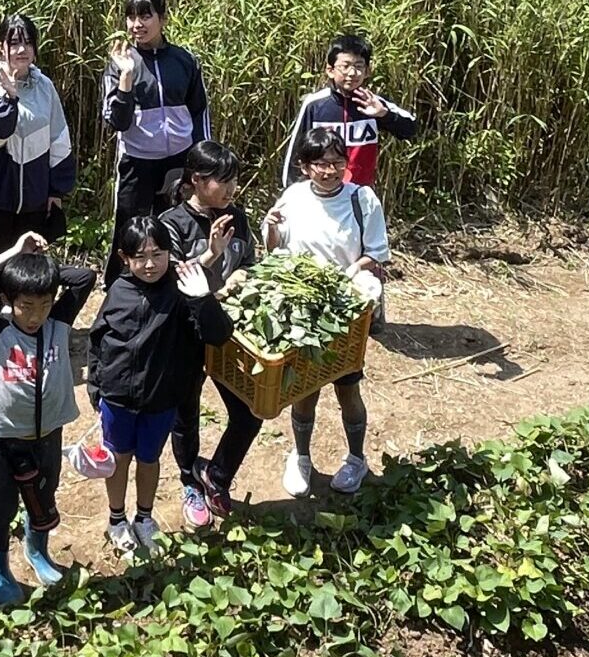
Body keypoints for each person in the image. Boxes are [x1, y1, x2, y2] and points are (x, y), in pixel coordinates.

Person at [0, 232, 95, 604]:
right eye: (26, 305)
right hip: (6, 439)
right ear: (8, 300)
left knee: (44, 497)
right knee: (2, 507)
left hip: (50, 433)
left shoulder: (59, 323)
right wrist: (15, 255)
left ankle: (37, 552)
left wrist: (41, 270)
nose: (36, 316)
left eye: (45, 304)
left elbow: (84, 279)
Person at [86, 216, 231, 558]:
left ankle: (144, 518)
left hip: (161, 400)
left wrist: (203, 298)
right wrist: (96, 387)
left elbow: (219, 334)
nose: (149, 264)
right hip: (118, 399)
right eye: (139, 257)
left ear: (170, 253)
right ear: (124, 258)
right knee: (118, 458)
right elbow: (97, 340)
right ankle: (117, 519)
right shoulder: (119, 290)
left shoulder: (181, 291)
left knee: (149, 459)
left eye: (158, 253)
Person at [263, 126, 388, 498]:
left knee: (348, 387)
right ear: (304, 167)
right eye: (321, 164)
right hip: (302, 309)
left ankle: (356, 459)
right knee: (304, 387)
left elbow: (376, 253)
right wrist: (270, 229)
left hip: (346, 309)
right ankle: (301, 456)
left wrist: (351, 272)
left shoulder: (361, 199)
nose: (330, 171)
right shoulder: (293, 198)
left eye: (337, 162)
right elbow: (275, 252)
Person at [159, 141, 261, 525]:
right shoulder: (171, 224)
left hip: (228, 332)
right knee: (186, 416)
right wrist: (213, 256)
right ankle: (189, 482)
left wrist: (237, 277)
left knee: (250, 411)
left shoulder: (237, 216)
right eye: (224, 179)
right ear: (197, 181)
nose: (233, 187)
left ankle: (216, 475)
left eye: (235, 178)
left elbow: (248, 262)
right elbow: (171, 279)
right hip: (185, 335)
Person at [101, 0, 210, 281]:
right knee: (129, 226)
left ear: (162, 19)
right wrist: (125, 79)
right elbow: (116, 122)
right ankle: (118, 287)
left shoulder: (185, 60)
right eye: (131, 17)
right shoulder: (120, 63)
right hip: (137, 161)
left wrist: (199, 159)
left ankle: (173, 286)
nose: (137, 24)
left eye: (145, 15)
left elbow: (199, 111)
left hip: (178, 159)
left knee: (173, 225)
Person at [0, 13, 76, 259]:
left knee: (29, 268)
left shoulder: (44, 86)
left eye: (28, 43)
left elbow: (59, 138)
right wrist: (9, 99)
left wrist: (56, 191)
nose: (21, 49)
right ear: (1, 48)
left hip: (34, 197)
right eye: (14, 43)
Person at [278, 32, 418, 194]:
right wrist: (293, 193)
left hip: (361, 193)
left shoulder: (374, 102)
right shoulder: (315, 105)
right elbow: (295, 153)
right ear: (330, 70)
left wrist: (384, 114)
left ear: (367, 71)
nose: (352, 73)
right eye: (345, 66)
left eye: (359, 67)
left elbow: (411, 129)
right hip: (321, 193)